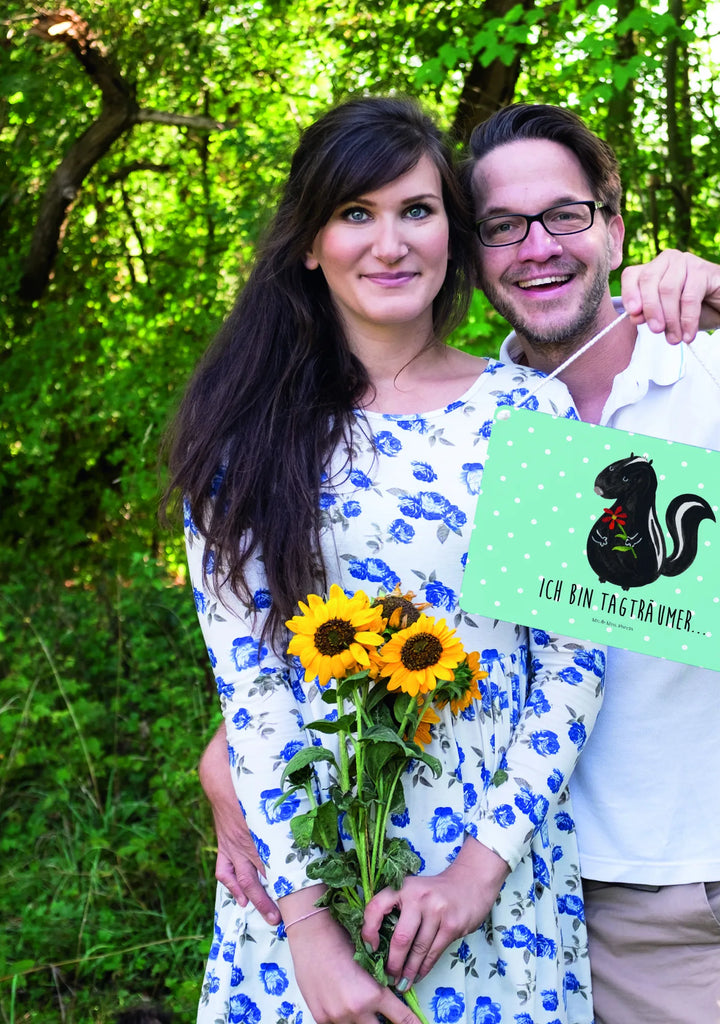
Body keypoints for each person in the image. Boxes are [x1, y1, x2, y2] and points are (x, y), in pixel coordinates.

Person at [202, 102, 720, 1023]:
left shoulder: (707, 374)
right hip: (434, 872)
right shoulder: (475, 412)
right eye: (503, 226)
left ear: (614, 227)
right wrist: (234, 757)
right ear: (474, 248)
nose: (537, 247)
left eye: (564, 215)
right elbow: (345, 622)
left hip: (654, 888)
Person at [164, 96, 610, 1024]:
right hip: (303, 882)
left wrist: (477, 873)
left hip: (492, 883)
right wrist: (311, 935)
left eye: (417, 210)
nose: (391, 243)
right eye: (355, 213)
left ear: (453, 230)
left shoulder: (532, 413)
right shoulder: (244, 438)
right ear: (309, 242)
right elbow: (252, 689)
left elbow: (574, 663)